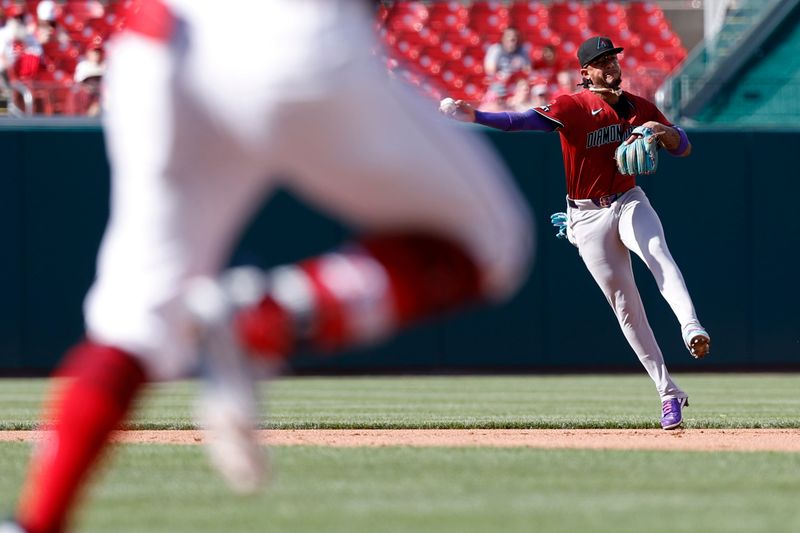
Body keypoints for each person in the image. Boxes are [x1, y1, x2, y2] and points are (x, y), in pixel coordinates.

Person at [0, 1, 533, 532]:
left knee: (133, 323)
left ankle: (36, 523)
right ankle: (260, 322)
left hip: (160, 44)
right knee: (492, 242)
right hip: (292, 37)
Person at [441, 36, 710, 431]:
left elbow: (683, 147)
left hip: (627, 198)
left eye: (613, 58)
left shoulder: (639, 107)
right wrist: (477, 116)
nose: (611, 66)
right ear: (586, 72)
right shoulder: (573, 104)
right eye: (601, 61)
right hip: (585, 217)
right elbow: (523, 121)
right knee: (624, 305)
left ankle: (691, 328)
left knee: (656, 252)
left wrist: (657, 129)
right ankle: (669, 393)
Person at [480, 27, 530, 111]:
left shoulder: (522, 51)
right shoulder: (496, 49)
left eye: (514, 38)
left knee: (524, 88)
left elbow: (528, 70)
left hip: (516, 85)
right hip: (499, 84)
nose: (512, 40)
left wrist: (515, 77)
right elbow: (490, 70)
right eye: (509, 37)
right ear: (503, 39)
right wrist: (504, 77)